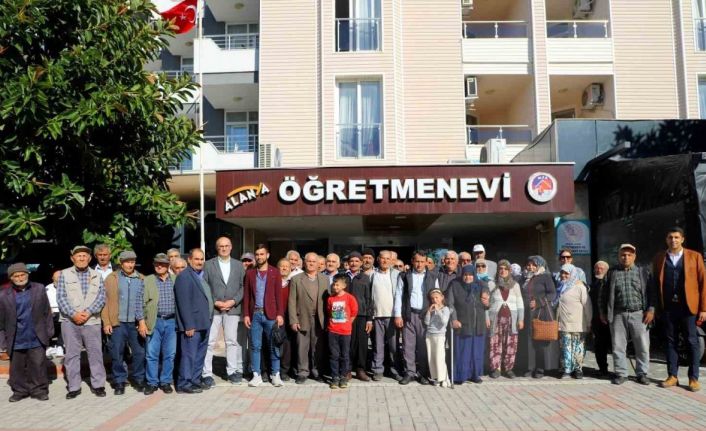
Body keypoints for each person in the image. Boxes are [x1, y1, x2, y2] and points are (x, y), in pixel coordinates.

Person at [653, 227, 706, 392]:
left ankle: (693, 378)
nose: (673, 240)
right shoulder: (659, 258)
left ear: (682, 239)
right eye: (670, 237)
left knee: (692, 341)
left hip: (688, 307)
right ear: (666, 239)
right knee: (670, 342)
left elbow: (703, 283)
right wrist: (655, 307)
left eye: (676, 237)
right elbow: (655, 284)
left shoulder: (694, 256)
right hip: (668, 307)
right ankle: (672, 376)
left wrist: (703, 308)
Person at [599, 244, 655, 386]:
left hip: (639, 314)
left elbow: (652, 293)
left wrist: (651, 310)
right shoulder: (612, 273)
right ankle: (621, 373)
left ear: (634, 256)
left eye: (629, 255)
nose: (626, 257)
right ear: (619, 256)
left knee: (642, 345)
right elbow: (603, 294)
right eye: (623, 255)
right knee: (618, 345)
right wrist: (602, 312)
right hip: (618, 314)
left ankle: (642, 373)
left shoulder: (643, 272)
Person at [57, 245, 107, 399]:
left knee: (95, 354)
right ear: (72, 258)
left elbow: (101, 297)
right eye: (78, 256)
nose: (82, 258)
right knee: (72, 355)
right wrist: (74, 314)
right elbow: (61, 298)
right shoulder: (64, 274)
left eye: (85, 255)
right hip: (70, 322)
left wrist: (89, 312)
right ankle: (74, 387)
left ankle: (98, 385)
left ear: (90, 258)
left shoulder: (97, 275)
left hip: (92, 321)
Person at [0, 263, 54, 402]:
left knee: (38, 365)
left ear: (27, 274)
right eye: (16, 276)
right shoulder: (3, 295)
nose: (19, 277)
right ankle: (19, 391)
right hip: (16, 336)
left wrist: (49, 332)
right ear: (11, 278)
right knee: (17, 368)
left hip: (36, 335)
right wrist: (3, 342)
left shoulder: (39, 288)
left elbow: (47, 312)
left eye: (22, 274)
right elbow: (1, 322)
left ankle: (39, 390)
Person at [202, 236, 245, 387]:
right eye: (221, 246)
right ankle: (206, 374)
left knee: (232, 341)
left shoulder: (239, 265)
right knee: (209, 342)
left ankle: (232, 371)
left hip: (233, 308)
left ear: (231, 247)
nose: (224, 248)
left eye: (227, 246)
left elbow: (243, 287)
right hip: (214, 309)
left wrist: (233, 301)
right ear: (217, 248)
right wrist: (215, 302)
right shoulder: (208, 265)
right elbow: (205, 286)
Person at [101, 250, 146, 395]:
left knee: (139, 352)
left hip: (135, 323)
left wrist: (143, 322)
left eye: (132, 261)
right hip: (118, 323)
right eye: (127, 262)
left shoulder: (141, 278)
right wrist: (106, 322)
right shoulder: (111, 278)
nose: (130, 264)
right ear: (121, 263)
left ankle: (138, 379)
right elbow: (105, 302)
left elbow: (145, 303)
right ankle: (119, 381)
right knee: (117, 353)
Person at [395, 251, 440, 385]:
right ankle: (409, 373)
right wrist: (398, 315)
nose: (419, 264)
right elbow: (398, 295)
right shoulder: (404, 276)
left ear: (426, 262)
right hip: (409, 315)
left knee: (423, 346)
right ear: (412, 261)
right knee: (408, 346)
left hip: (426, 315)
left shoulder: (433, 276)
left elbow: (437, 295)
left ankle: (422, 373)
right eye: (417, 261)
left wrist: (436, 313)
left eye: (422, 261)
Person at [243, 244, 284, 387]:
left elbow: (279, 295)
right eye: (257, 254)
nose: (259, 257)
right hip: (255, 315)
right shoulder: (250, 274)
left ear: (267, 255)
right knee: (255, 346)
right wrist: (246, 315)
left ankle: (275, 374)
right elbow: (247, 296)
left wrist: (280, 314)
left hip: (271, 315)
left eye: (262, 254)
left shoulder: (275, 272)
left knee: (274, 345)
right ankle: (256, 375)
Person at [136, 253, 177, 395]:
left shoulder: (175, 279)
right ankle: (152, 382)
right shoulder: (147, 280)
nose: (160, 266)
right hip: (154, 321)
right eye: (157, 263)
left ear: (168, 266)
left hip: (172, 322)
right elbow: (139, 303)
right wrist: (141, 322)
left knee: (169, 354)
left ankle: (165, 381)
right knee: (151, 354)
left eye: (163, 264)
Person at [174, 248, 214, 394]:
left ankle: (195, 381)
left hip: (204, 322)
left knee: (199, 355)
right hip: (193, 325)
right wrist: (188, 325)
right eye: (196, 259)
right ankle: (184, 383)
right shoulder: (184, 277)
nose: (199, 262)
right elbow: (183, 303)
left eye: (202, 259)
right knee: (189, 355)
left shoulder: (199, 276)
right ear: (189, 260)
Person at [288, 252, 328, 384]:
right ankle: (302, 372)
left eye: (313, 262)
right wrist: (293, 320)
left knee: (318, 347)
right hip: (302, 317)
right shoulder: (296, 279)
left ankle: (317, 371)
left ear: (318, 264)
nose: (311, 263)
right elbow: (292, 301)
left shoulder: (324, 279)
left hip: (319, 318)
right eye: (308, 261)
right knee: (302, 346)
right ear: (304, 263)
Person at [447, 265, 489, 384]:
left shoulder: (481, 285)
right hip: (462, 324)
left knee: (477, 352)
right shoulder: (454, 284)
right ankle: (460, 376)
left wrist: (487, 303)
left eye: (470, 275)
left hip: (478, 324)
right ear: (462, 274)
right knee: (462, 351)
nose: (468, 277)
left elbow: (487, 303)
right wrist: (454, 319)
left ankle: (475, 375)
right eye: (465, 274)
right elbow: (450, 304)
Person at [518, 255, 558, 379]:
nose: (530, 267)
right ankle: (529, 368)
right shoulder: (523, 278)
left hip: (541, 312)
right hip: (527, 314)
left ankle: (540, 369)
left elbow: (552, 293)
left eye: (533, 265)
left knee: (540, 340)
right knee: (528, 341)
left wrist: (539, 301)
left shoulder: (545, 277)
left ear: (539, 266)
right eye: (528, 265)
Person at [486, 260, 524, 379]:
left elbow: (520, 303)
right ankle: (496, 368)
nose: (503, 271)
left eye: (505, 269)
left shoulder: (515, 285)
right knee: (495, 344)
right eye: (500, 269)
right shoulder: (491, 284)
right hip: (495, 319)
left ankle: (508, 368)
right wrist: (487, 317)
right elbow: (487, 303)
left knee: (511, 344)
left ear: (509, 271)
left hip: (511, 319)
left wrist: (520, 319)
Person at [370, 250, 403, 381]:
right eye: (382, 258)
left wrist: (399, 314)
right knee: (378, 345)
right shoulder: (372, 274)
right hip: (377, 315)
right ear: (378, 259)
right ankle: (377, 370)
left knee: (394, 346)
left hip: (393, 316)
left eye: (388, 259)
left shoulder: (397, 274)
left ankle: (395, 369)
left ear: (392, 261)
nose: (385, 261)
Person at [555, 264, 592, 379]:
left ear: (573, 274)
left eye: (566, 273)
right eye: (562, 273)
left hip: (578, 323)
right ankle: (567, 370)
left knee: (578, 346)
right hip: (564, 323)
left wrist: (589, 321)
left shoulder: (580, 287)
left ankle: (578, 369)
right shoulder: (561, 287)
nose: (563, 275)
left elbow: (587, 306)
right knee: (566, 347)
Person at [327, 274, 358, 389]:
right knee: (334, 355)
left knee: (345, 355)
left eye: (338, 284)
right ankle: (335, 377)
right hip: (333, 331)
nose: (335, 287)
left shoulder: (350, 298)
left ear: (344, 286)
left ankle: (343, 376)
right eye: (334, 284)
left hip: (345, 332)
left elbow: (354, 312)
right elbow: (329, 311)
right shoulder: (331, 298)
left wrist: (348, 323)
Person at [345, 252, 373, 381]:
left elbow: (369, 299)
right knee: (348, 343)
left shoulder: (365, 278)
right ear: (348, 263)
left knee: (361, 344)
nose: (354, 263)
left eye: (357, 261)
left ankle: (360, 369)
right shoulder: (343, 277)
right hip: (345, 316)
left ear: (361, 263)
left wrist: (369, 319)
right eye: (352, 261)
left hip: (361, 315)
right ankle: (347, 370)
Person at [424, 289, 451, 387]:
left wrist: (438, 310)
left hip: (439, 336)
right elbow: (426, 322)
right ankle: (435, 377)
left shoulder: (445, 309)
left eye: (437, 298)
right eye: (432, 298)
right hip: (429, 335)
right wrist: (428, 312)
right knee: (432, 358)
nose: (435, 300)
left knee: (440, 357)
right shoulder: (431, 309)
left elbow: (444, 321)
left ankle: (444, 378)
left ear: (442, 298)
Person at [590, 261, 611, 377]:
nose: (599, 270)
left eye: (601, 268)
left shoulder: (609, 283)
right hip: (597, 320)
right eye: (597, 268)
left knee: (613, 346)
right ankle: (603, 369)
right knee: (599, 346)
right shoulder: (594, 284)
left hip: (609, 319)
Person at [277, 258, 295, 381]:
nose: (284, 268)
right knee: (274, 344)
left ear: (290, 269)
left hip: (289, 318)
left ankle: (285, 370)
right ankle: (273, 369)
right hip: (275, 318)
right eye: (281, 266)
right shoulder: (273, 282)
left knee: (287, 345)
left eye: (286, 266)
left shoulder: (293, 283)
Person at [45, 270, 64, 358]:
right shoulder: (47, 288)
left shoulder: (67, 287)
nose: (58, 281)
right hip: (51, 312)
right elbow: (44, 302)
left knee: (65, 324)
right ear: (52, 278)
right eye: (56, 279)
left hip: (63, 312)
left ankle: (60, 346)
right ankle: (48, 347)